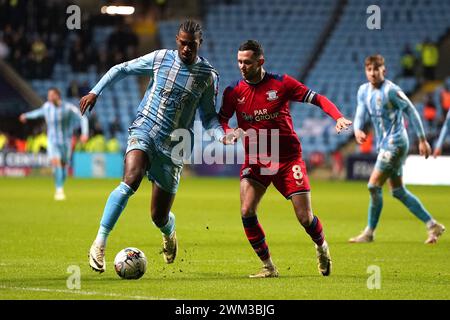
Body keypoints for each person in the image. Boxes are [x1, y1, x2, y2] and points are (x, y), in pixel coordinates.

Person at [80, 20, 237, 274]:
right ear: (177, 40)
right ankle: (99, 242)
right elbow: (122, 69)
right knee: (130, 179)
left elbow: (208, 117)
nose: (186, 49)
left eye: (192, 45)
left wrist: (222, 137)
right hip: (145, 129)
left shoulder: (207, 76)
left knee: (159, 216)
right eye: (183, 43)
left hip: (175, 147)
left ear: (200, 44)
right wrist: (95, 91)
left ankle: (169, 231)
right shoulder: (160, 58)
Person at [218, 40, 352, 278]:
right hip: (257, 160)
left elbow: (318, 98)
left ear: (260, 61)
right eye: (239, 61)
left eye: (247, 62)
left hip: (288, 159)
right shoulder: (234, 91)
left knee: (304, 217)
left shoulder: (282, 84)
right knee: (247, 210)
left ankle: (321, 247)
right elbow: (223, 119)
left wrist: (338, 117)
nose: (242, 66)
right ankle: (269, 267)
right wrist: (228, 133)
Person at [349, 54, 445, 244]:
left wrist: (422, 139)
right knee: (398, 191)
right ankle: (432, 224)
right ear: (365, 71)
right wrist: (357, 129)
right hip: (384, 143)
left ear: (383, 70)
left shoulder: (391, 91)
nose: (373, 73)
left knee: (373, 185)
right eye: (369, 70)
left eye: (376, 69)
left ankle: (369, 232)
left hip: (396, 142)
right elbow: (360, 112)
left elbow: (411, 111)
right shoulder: (363, 91)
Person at [19, 88, 89, 200]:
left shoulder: (68, 108)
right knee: (56, 164)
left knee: (63, 165)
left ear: (57, 96)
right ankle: (59, 189)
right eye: (48, 95)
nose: (49, 98)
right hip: (52, 141)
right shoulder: (47, 107)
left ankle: (60, 186)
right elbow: (38, 113)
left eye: (51, 95)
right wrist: (26, 116)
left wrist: (84, 133)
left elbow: (83, 118)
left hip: (66, 142)